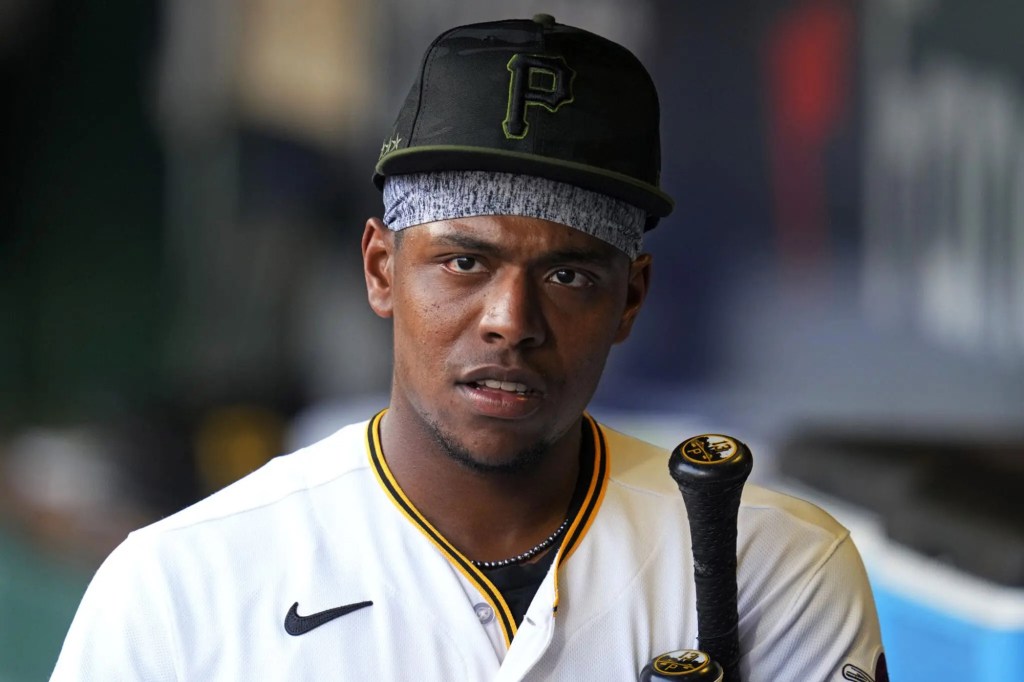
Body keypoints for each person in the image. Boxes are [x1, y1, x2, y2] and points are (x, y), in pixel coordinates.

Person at [52, 15, 887, 681]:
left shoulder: (770, 565)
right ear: (381, 269)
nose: (509, 320)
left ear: (630, 300)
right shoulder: (180, 583)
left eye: (568, 275)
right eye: (463, 262)